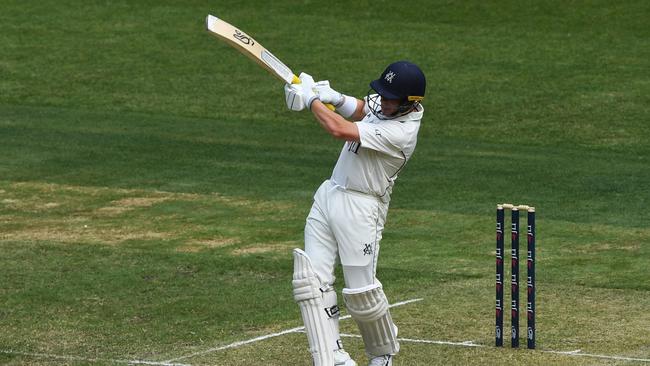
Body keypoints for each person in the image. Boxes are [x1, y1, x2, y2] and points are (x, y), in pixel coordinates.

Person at [285, 61, 426, 366]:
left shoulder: (403, 133)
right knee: (311, 282)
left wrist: (311, 100)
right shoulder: (389, 105)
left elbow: (338, 129)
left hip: (362, 207)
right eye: (384, 94)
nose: (384, 101)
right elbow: (365, 109)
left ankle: (382, 354)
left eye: (391, 98)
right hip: (329, 193)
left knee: (361, 293)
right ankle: (333, 356)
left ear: (409, 104)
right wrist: (334, 97)